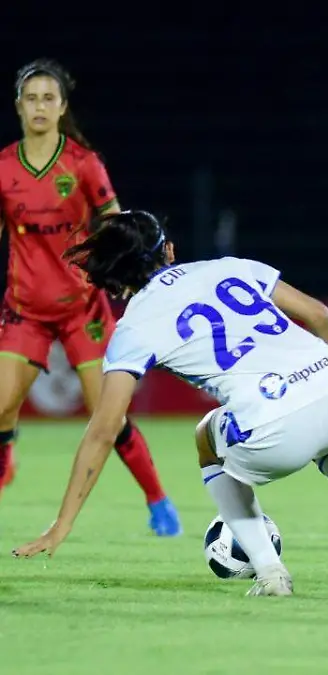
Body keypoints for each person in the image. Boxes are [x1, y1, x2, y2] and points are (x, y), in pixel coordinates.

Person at [11, 210, 328, 597]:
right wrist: (318, 379)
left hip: (275, 426)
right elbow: (319, 314)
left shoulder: (133, 328)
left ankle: (270, 571)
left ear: (114, 281)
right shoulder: (230, 266)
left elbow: (104, 428)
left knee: (207, 435)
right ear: (168, 249)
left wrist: (62, 524)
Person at [0, 58, 179, 536]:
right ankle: (4, 461)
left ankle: (157, 499)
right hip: (25, 311)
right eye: (31, 98)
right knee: (0, 407)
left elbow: (116, 226)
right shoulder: (2, 168)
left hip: (83, 311)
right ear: (19, 107)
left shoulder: (83, 165)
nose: (39, 106)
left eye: (48, 98)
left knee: (111, 416)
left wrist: (125, 272)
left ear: (62, 107)